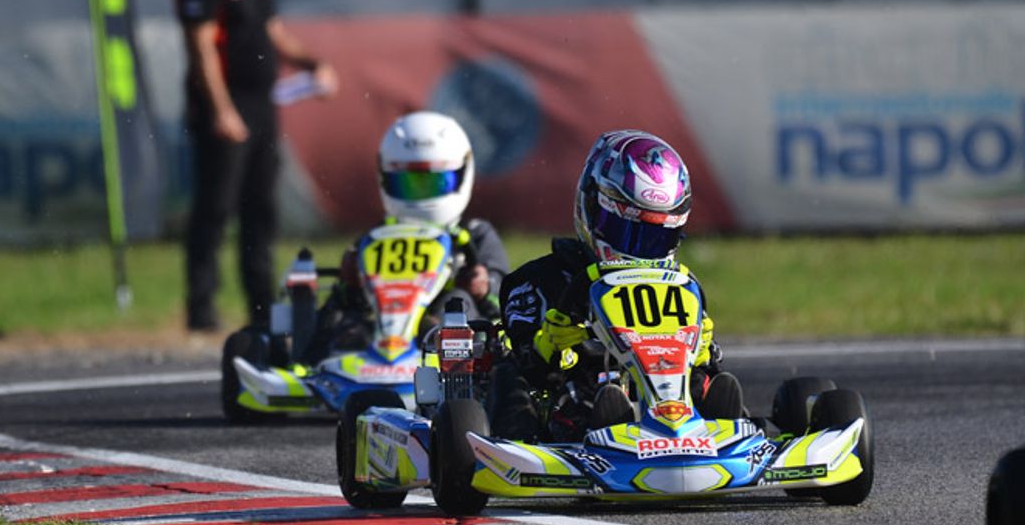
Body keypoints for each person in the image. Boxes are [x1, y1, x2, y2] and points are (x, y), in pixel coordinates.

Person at [490, 129, 732, 441]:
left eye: (655, 238)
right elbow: (524, 365)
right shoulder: (537, 280)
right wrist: (549, 344)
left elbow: (694, 358)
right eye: (627, 232)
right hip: (574, 412)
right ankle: (609, 417)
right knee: (510, 378)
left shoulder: (681, 285)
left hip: (672, 409)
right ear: (591, 207)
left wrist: (702, 352)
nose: (639, 250)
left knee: (703, 381)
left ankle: (722, 422)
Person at [175, 0, 338, 331]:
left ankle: (262, 310)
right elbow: (201, 47)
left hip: (262, 105)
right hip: (224, 106)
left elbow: (274, 32)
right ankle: (202, 310)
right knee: (215, 207)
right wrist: (221, 110)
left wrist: (313, 64)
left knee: (261, 208)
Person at [304, 112, 509, 362]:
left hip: (450, 345)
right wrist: (350, 285)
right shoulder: (377, 237)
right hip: (381, 333)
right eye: (408, 183)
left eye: (433, 182)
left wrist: (484, 288)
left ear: (461, 175)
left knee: (457, 301)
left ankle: (444, 352)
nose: (420, 194)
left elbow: (506, 302)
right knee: (350, 318)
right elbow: (343, 304)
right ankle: (323, 365)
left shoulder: (475, 234)